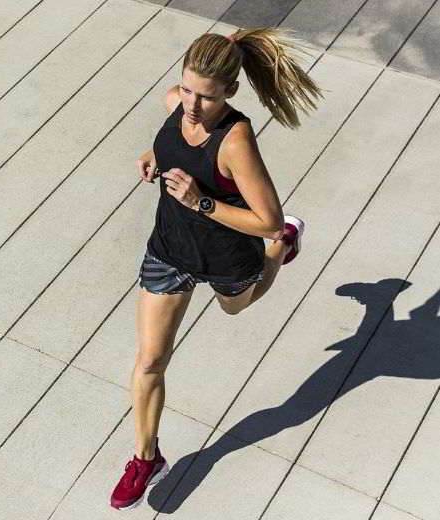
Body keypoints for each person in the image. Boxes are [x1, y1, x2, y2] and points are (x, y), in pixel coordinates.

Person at [110, 27, 323, 510]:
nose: (191, 105)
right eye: (187, 89)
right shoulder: (175, 103)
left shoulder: (235, 140)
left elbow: (265, 218)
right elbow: (171, 141)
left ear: (229, 91)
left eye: (205, 97)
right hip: (169, 250)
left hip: (228, 253)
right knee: (149, 362)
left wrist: (201, 201)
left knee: (237, 306)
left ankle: (285, 248)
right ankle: (146, 457)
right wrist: (152, 156)